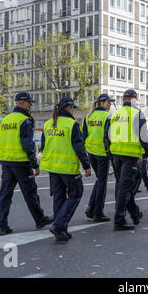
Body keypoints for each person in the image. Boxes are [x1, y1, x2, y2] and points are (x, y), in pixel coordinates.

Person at [0, 92, 53, 236]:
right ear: (21, 103)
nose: (30, 105)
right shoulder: (24, 121)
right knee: (30, 193)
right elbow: (28, 144)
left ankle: (2, 225)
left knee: (5, 194)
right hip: (21, 163)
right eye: (29, 103)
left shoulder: (5, 120)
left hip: (6, 162)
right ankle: (40, 219)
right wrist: (35, 164)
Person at [40, 97, 92, 242]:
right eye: (73, 108)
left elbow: (44, 146)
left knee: (59, 197)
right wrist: (86, 166)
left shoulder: (48, 124)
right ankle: (59, 225)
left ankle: (61, 230)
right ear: (68, 108)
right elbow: (79, 147)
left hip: (52, 166)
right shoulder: (72, 124)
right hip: (67, 167)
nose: (73, 111)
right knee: (76, 194)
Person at [108, 89, 148, 231]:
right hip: (130, 156)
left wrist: (109, 155)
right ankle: (119, 219)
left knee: (123, 186)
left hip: (116, 154)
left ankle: (134, 213)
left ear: (123, 99)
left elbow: (107, 136)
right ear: (133, 99)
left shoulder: (114, 114)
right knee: (124, 187)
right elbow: (144, 138)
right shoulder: (137, 114)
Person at [83, 94, 115, 222]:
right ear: (102, 102)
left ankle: (91, 208)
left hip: (91, 153)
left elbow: (83, 135)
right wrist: (111, 156)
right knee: (102, 182)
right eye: (108, 102)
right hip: (102, 154)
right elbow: (109, 137)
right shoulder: (108, 116)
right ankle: (98, 212)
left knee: (100, 180)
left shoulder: (88, 116)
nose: (110, 104)